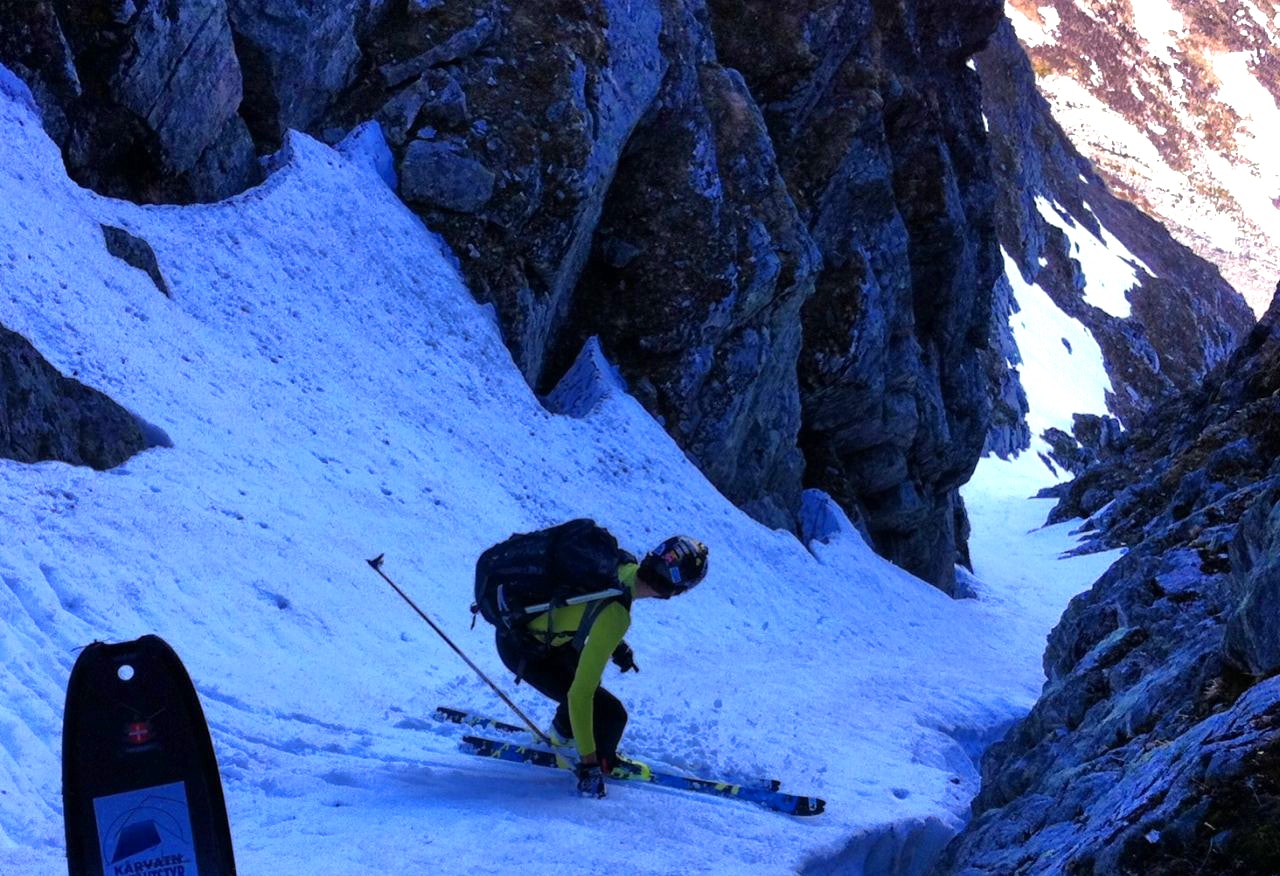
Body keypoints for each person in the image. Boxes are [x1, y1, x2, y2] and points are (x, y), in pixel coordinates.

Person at [490, 528, 708, 798]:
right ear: (673, 592)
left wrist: (617, 647)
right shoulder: (617, 616)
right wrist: (589, 765)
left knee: (590, 681)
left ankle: (561, 734)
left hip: (524, 634)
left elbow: (587, 607)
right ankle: (596, 758)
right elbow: (580, 694)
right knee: (611, 714)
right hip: (527, 651)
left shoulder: (618, 563)